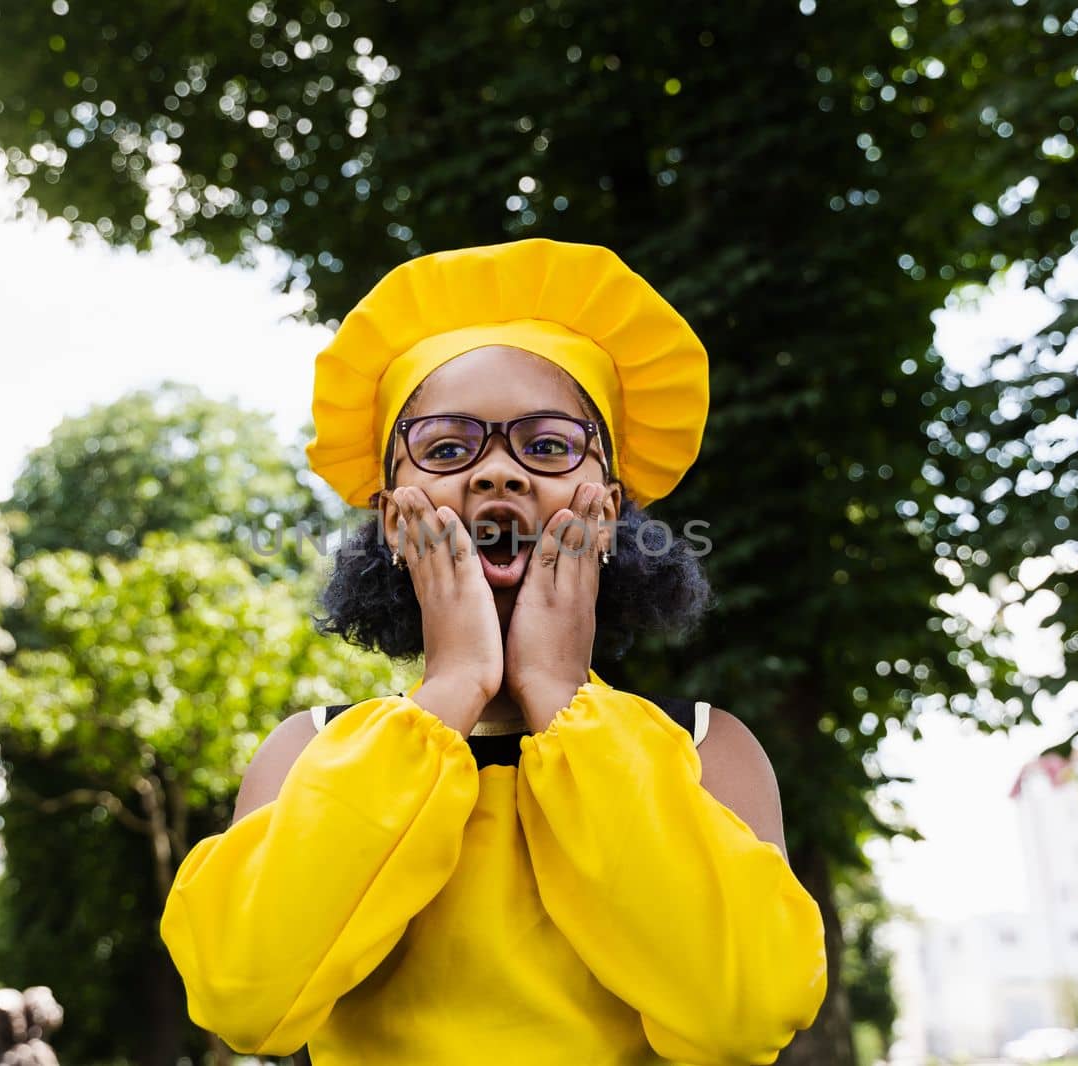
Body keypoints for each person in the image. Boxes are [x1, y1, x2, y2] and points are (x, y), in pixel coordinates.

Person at [159, 238, 828, 1064]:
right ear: (396, 514)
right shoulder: (309, 750)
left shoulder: (708, 750)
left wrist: (558, 691)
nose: (497, 475)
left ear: (609, 509)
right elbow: (245, 999)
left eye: (547, 446)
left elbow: (743, 1015)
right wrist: (454, 688)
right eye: (447, 449)